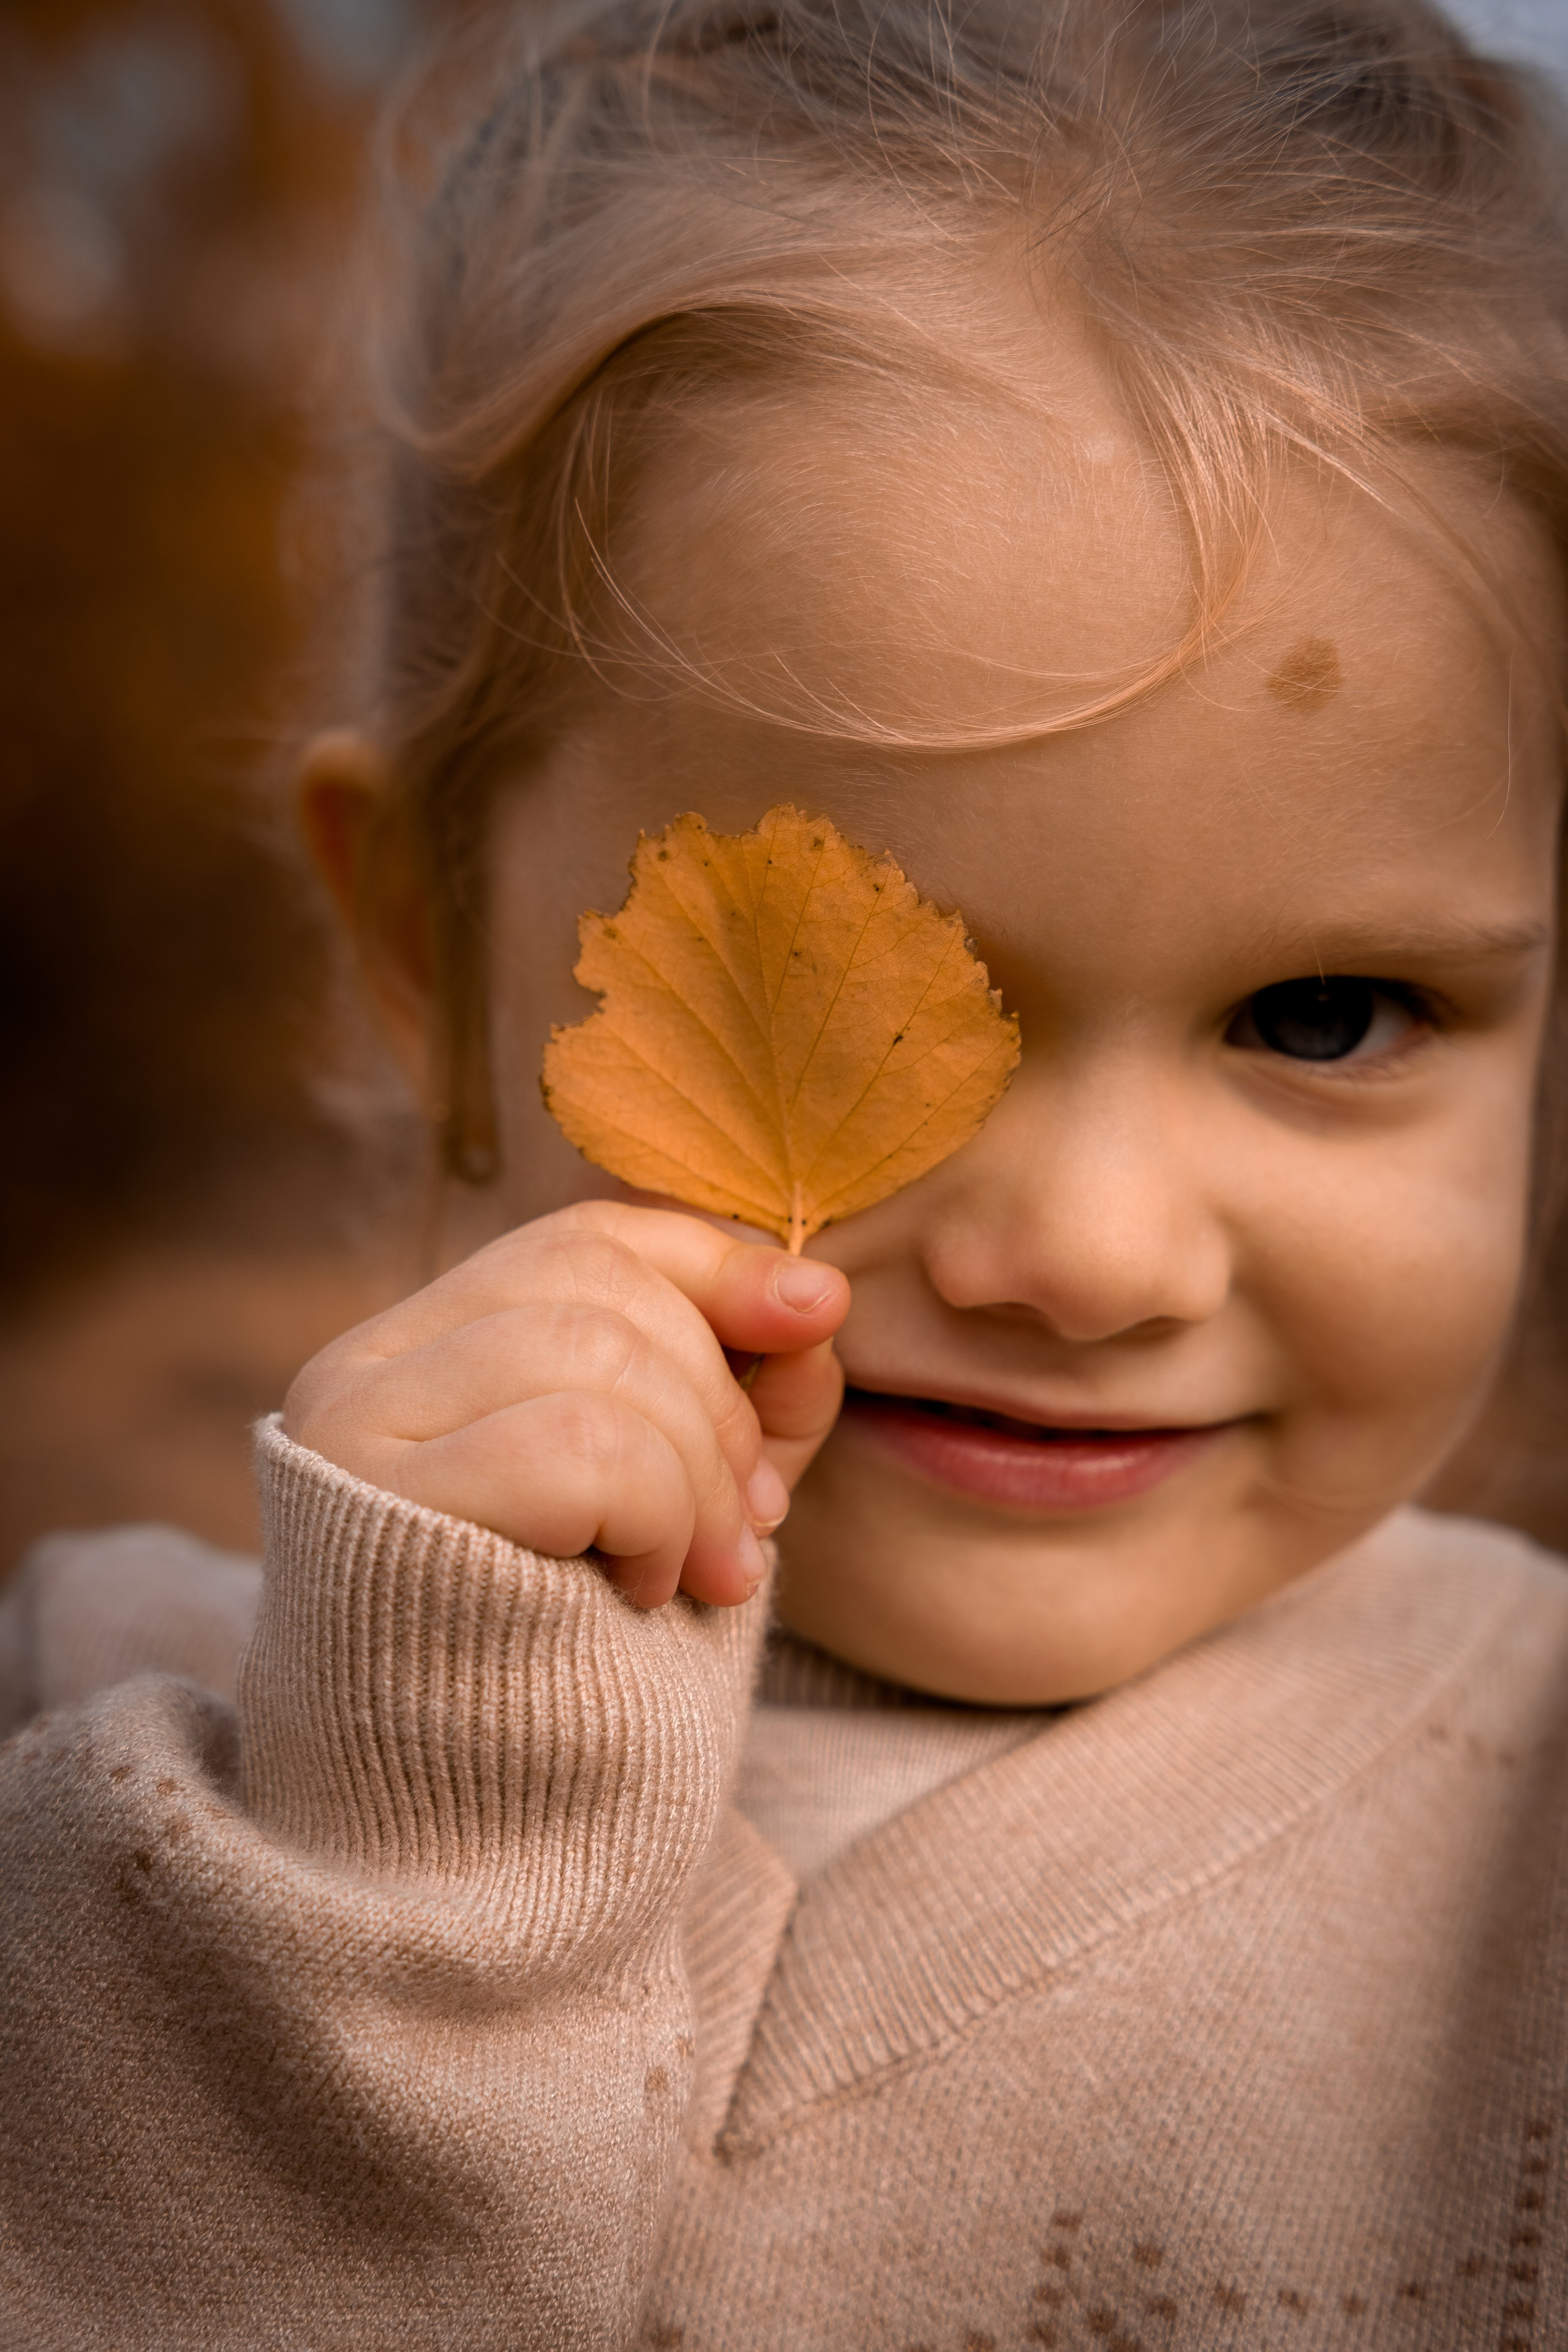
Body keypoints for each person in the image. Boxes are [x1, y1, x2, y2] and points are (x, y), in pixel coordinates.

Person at [4, 0, 1568, 2340]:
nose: (1092, 1257)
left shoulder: (1523, 1861)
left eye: (1325, 1017)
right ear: (426, 946)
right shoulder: (105, 1752)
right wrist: (383, 1853)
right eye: (851, 999)